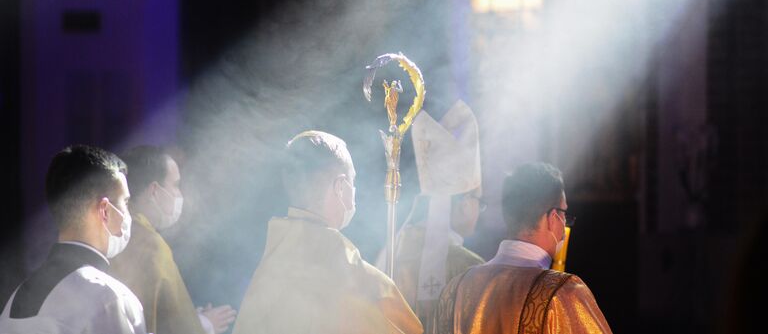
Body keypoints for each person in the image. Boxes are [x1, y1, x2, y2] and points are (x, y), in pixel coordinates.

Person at [232, 130, 423, 334]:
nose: (354, 190)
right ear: (340, 186)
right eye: (353, 181)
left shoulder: (270, 265)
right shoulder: (350, 275)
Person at [431, 162, 612, 334]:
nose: (565, 224)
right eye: (564, 214)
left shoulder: (455, 289)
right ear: (553, 217)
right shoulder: (562, 294)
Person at [0, 145, 146, 333]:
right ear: (105, 210)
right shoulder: (109, 299)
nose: (129, 212)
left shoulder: (13, 302)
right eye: (125, 202)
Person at [109, 145, 236, 334]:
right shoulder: (150, 246)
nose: (179, 195)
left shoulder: (113, 232)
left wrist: (189, 316)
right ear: (154, 190)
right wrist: (204, 325)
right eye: (175, 185)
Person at [388, 100, 485, 331]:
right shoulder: (471, 267)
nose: (479, 211)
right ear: (462, 204)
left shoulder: (397, 249)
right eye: (478, 202)